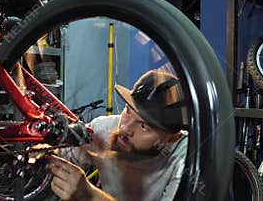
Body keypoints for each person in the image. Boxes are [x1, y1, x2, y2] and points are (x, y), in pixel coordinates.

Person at [43, 69, 188, 201]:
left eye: (144, 126)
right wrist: (43, 155)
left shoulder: (186, 163)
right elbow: (58, 156)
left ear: (171, 138)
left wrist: (90, 195)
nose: (125, 128)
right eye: (128, 110)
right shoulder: (103, 129)